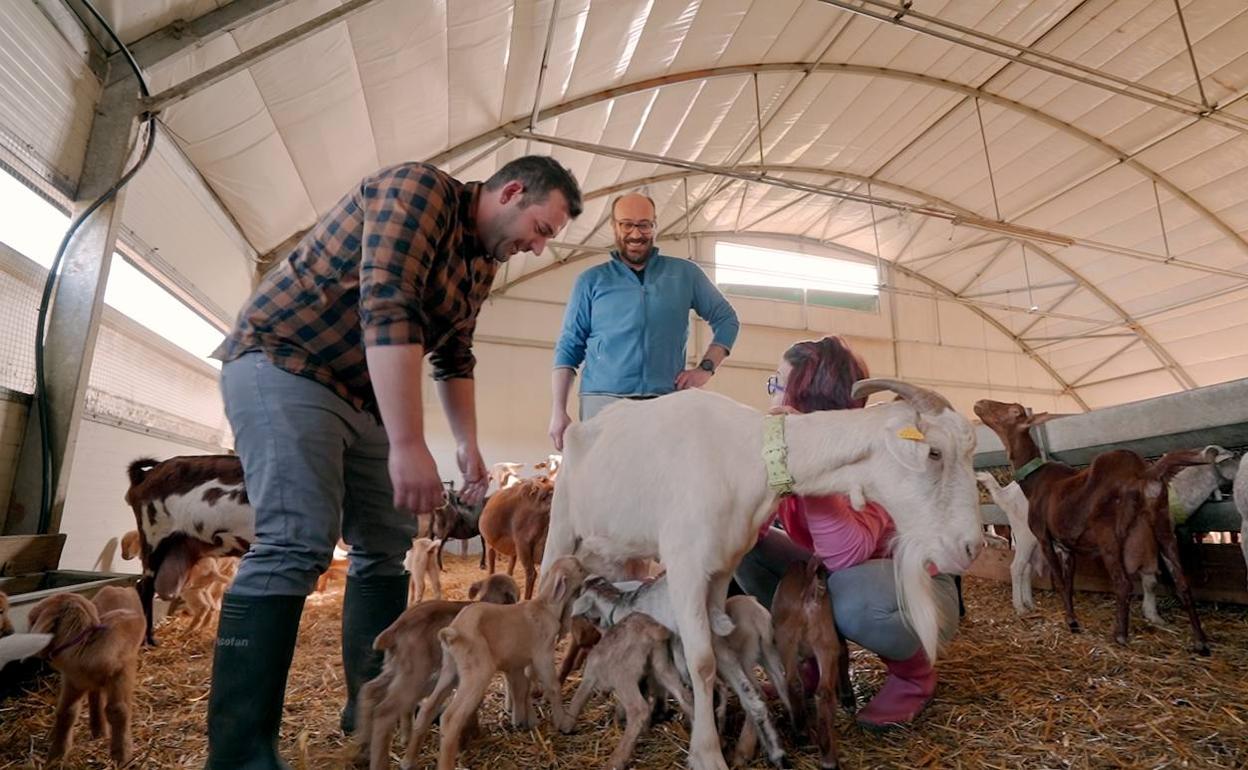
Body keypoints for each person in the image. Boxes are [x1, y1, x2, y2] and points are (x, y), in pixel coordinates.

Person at [205, 156, 583, 768]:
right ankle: (240, 754)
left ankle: (374, 715)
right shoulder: (417, 191)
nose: (538, 248)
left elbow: (454, 353)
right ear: (512, 191)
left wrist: (466, 445)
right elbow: (387, 303)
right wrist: (409, 444)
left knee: (384, 543)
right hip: (286, 362)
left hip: (364, 394)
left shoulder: (482, 262)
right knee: (296, 543)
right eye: (540, 228)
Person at [734, 335, 960, 730]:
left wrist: (814, 468)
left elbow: (848, 555)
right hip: (845, 573)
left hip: (917, 595)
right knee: (748, 549)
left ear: (804, 396)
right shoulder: (782, 448)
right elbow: (751, 530)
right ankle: (804, 658)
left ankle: (914, 675)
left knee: (852, 593)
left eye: (778, 384)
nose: (772, 398)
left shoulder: (876, 452)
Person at [548, 192, 740, 447]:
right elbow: (569, 346)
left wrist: (705, 369)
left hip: (663, 402)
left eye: (644, 225)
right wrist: (558, 411)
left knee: (662, 481)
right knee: (607, 482)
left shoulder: (685, 274)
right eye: (627, 224)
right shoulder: (591, 280)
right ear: (614, 226)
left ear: (654, 226)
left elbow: (726, 319)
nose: (636, 234)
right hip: (602, 402)